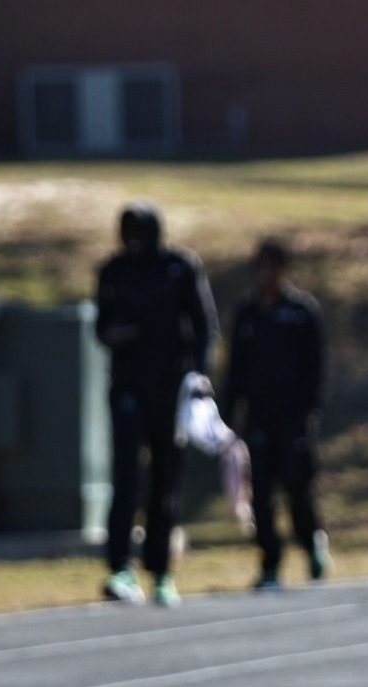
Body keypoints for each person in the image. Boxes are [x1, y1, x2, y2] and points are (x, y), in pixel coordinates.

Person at [94, 201, 218, 607]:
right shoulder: (113, 271)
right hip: (128, 388)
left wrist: (198, 378)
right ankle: (120, 568)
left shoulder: (180, 267)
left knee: (165, 484)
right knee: (125, 480)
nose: (132, 240)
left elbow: (203, 325)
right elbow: (101, 326)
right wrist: (118, 334)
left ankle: (161, 570)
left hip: (170, 391)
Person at [221, 238, 329, 590]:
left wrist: (310, 412)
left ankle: (311, 539)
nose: (264, 274)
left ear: (283, 269)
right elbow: (235, 367)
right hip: (259, 417)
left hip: (294, 417)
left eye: (271, 266)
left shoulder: (301, 311)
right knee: (262, 492)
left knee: (298, 486)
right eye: (259, 266)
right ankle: (270, 563)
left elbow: (316, 368)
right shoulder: (248, 313)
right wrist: (229, 411)